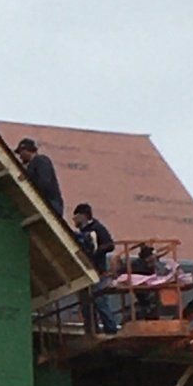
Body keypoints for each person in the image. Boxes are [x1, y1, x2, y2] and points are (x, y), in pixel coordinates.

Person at [73, 202, 119, 332]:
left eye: (76, 216)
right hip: (87, 271)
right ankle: (92, 331)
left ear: (83, 216)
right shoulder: (83, 231)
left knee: (100, 302)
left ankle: (111, 331)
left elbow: (110, 245)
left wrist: (96, 251)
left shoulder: (97, 228)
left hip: (98, 271)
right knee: (87, 306)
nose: (74, 220)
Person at [15, 138, 64, 219]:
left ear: (25, 150)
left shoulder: (40, 160)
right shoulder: (33, 164)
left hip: (50, 203)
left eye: (20, 152)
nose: (20, 156)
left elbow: (44, 182)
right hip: (49, 203)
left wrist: (27, 178)